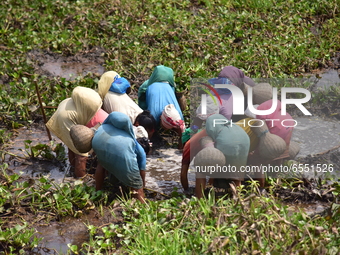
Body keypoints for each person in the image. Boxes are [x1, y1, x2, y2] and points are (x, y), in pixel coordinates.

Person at [46, 86, 105, 177]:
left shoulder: (73, 102)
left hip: (71, 116)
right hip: (65, 120)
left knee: (73, 145)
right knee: (80, 155)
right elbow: (82, 156)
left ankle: (73, 168)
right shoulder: (67, 116)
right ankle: (79, 178)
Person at [92, 112, 148, 203]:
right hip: (120, 152)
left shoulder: (105, 127)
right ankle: (141, 206)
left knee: (101, 164)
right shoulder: (138, 148)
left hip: (98, 142)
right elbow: (141, 171)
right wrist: (141, 185)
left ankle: (97, 191)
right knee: (137, 187)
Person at [247, 99, 295, 189]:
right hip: (287, 131)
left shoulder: (262, 118)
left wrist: (253, 153)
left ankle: (261, 186)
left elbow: (264, 141)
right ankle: (275, 177)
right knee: (279, 153)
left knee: (256, 160)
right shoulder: (282, 114)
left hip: (277, 131)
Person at [138, 65, 185, 148]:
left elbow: (183, 136)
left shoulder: (179, 118)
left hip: (167, 84)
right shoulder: (153, 115)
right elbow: (146, 137)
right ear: (160, 118)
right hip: (149, 88)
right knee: (144, 118)